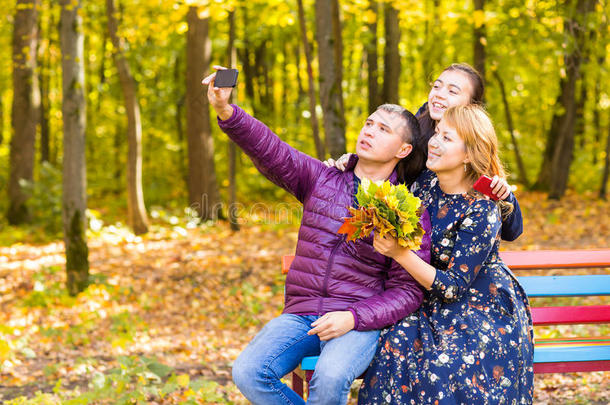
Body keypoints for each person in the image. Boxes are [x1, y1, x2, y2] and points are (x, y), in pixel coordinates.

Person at [202, 66, 432, 405]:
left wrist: (352, 318)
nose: (369, 131)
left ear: (403, 150)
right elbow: (273, 150)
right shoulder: (322, 178)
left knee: (331, 376)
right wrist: (226, 110)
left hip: (356, 318)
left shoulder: (408, 210)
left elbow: (408, 291)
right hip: (301, 313)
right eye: (369, 123)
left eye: (384, 129)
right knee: (249, 372)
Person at [358, 105, 534, 404]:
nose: (435, 142)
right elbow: (378, 173)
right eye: (437, 134)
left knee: (443, 367)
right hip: (427, 299)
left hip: (479, 308)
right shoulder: (424, 185)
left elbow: (453, 287)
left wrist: (400, 254)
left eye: (447, 138)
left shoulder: (482, 208)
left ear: (468, 154)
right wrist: (347, 162)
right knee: (393, 347)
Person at [326, 63, 523, 242]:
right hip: (402, 246)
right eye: (436, 86)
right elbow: (383, 170)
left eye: (452, 91)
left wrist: (504, 195)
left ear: (470, 107)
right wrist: (351, 163)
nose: (439, 94)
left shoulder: (471, 151)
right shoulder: (415, 131)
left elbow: (512, 231)